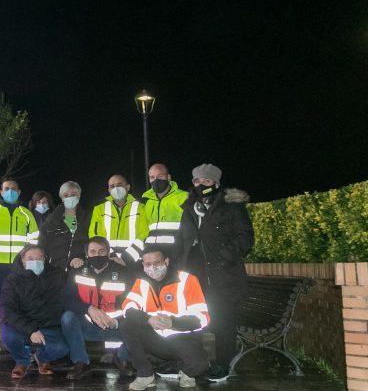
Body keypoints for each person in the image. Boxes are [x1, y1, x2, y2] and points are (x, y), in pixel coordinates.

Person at [178, 163, 254, 382]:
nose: (201, 185)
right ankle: (198, 362)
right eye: (197, 181)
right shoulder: (189, 207)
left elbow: (245, 237)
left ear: (216, 183)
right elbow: (182, 241)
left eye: (206, 181)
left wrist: (225, 256)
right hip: (195, 276)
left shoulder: (231, 206)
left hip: (223, 274)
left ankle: (223, 363)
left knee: (223, 321)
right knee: (195, 320)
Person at [119, 247, 210, 390]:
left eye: (157, 262)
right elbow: (127, 308)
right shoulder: (141, 282)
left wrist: (173, 322)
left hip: (182, 339)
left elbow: (202, 317)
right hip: (155, 339)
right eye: (147, 264)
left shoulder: (187, 280)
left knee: (199, 366)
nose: (152, 268)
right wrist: (148, 319)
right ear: (143, 265)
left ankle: (184, 370)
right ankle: (145, 375)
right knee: (126, 324)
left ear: (166, 262)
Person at [0, 178, 38, 365]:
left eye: (13, 189)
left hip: (19, 272)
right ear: (1, 192)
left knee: (23, 310)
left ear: (19, 192)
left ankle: (25, 347)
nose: (10, 191)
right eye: (6, 189)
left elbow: (34, 245)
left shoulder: (27, 215)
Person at [61, 237, 133, 380]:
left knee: (138, 323)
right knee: (67, 317)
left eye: (101, 251)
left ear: (108, 253)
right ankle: (81, 362)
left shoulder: (123, 272)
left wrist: (116, 321)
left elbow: (133, 303)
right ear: (87, 254)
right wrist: (88, 308)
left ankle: (121, 357)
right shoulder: (78, 270)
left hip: (115, 326)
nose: (97, 255)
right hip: (89, 325)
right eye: (92, 252)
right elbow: (66, 300)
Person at [0, 244, 74, 379]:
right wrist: (31, 330)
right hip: (23, 324)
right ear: (23, 260)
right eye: (31, 258)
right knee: (9, 336)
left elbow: (69, 296)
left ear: (45, 259)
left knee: (62, 347)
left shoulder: (57, 275)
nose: (36, 261)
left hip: (48, 324)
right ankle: (22, 361)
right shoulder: (13, 279)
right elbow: (7, 310)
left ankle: (42, 357)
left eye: (39, 258)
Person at [89, 174, 149, 267]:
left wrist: (127, 258)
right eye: (112, 186)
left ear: (128, 187)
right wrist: (111, 256)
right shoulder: (99, 209)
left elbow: (144, 234)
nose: (115, 188)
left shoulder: (141, 208)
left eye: (119, 185)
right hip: (108, 261)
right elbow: (95, 235)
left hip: (134, 262)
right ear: (109, 190)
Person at [140, 163, 189, 261]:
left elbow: (190, 228)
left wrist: (182, 252)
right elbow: (145, 230)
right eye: (152, 177)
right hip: (154, 256)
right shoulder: (147, 201)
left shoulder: (184, 197)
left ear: (168, 177)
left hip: (176, 255)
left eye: (160, 176)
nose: (156, 180)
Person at [40, 181, 89, 273]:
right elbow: (42, 244)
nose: (70, 197)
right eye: (66, 195)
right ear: (62, 198)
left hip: (79, 268)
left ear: (79, 196)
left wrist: (81, 257)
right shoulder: (51, 220)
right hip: (54, 270)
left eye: (73, 194)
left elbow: (90, 243)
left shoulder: (87, 218)